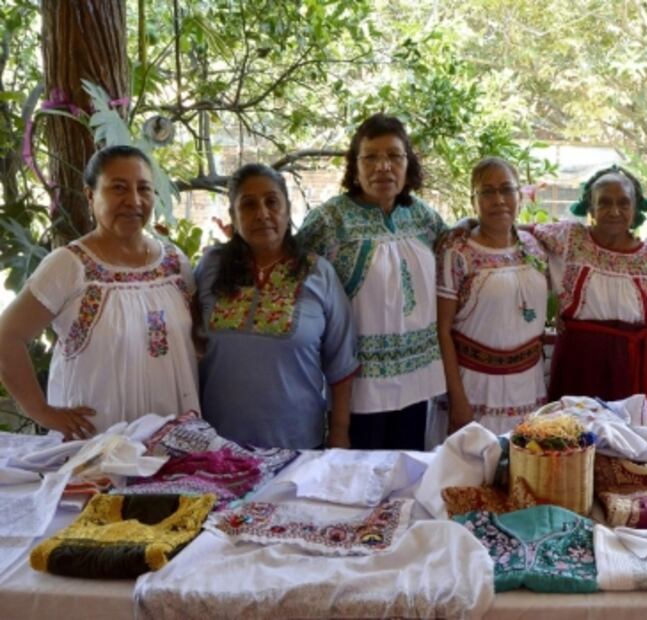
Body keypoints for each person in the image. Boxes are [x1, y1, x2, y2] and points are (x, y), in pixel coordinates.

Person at [0, 145, 199, 439]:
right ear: (91, 195)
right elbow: (6, 337)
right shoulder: (69, 265)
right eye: (118, 188)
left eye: (144, 189)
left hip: (174, 444)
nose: (133, 201)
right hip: (95, 448)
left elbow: (196, 343)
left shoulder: (174, 263)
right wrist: (41, 411)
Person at [298, 113, 447, 450]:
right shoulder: (329, 221)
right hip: (356, 386)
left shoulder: (422, 216)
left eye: (394, 156)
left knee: (407, 475)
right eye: (371, 157)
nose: (384, 167)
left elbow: (458, 252)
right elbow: (291, 276)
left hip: (416, 379)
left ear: (408, 164)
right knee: (359, 482)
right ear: (355, 166)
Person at [194, 164, 358, 449]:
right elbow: (190, 342)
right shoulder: (210, 267)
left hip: (298, 445)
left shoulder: (318, 273)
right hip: (219, 449)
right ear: (233, 214)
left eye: (272, 202)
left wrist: (340, 433)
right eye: (248, 205)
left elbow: (341, 364)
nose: (262, 214)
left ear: (287, 210)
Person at [534, 166, 647, 429]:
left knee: (627, 450)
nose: (614, 211)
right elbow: (517, 231)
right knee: (572, 443)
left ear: (636, 209)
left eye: (623, 203)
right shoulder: (571, 238)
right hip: (579, 363)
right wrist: (468, 223)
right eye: (604, 202)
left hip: (632, 368)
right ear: (590, 207)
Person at [436, 157, 549, 436]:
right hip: (476, 387)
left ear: (520, 196)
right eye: (487, 192)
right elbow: (441, 330)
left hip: (528, 383)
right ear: (473, 201)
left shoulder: (534, 246)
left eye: (507, 190)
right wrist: (457, 399)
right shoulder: (457, 253)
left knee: (526, 467)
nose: (499, 200)